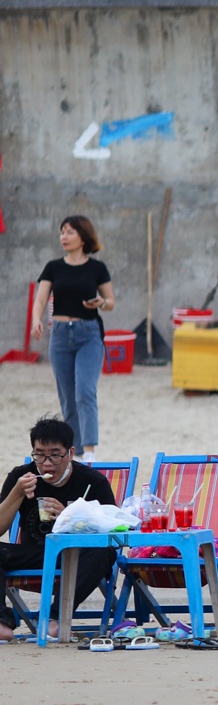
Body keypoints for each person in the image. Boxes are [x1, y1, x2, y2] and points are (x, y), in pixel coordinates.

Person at [0, 420, 118, 642]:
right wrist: (16, 493)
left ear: (71, 452)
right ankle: (1, 623)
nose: (46, 464)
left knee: (104, 552)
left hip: (76, 554)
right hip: (36, 553)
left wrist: (70, 516)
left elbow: (111, 530)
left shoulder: (93, 482)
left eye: (55, 455)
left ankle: (55, 619)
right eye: (39, 455)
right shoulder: (22, 477)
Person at [33, 215, 113, 462]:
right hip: (59, 336)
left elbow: (110, 302)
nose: (63, 237)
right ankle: (75, 451)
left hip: (88, 334)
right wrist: (37, 319)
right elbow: (41, 299)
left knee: (85, 392)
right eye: (61, 232)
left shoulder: (97, 268)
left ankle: (89, 452)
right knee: (67, 396)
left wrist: (101, 302)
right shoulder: (53, 267)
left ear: (83, 236)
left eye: (69, 232)